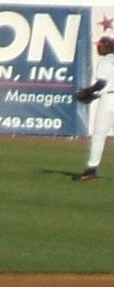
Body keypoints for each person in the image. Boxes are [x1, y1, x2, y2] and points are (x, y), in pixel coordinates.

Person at [74, 35, 114, 181]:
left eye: (101, 45)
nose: (98, 47)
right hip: (109, 96)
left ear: (108, 47)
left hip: (110, 100)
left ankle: (91, 169)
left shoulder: (106, 61)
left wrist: (87, 92)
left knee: (99, 135)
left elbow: (101, 84)